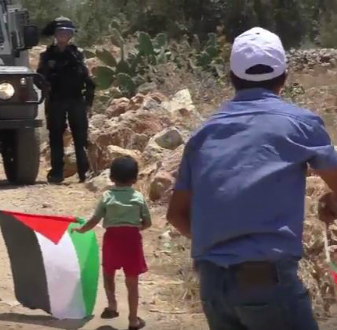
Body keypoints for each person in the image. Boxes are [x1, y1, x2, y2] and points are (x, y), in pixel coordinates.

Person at [166, 27, 337, 330]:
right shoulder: (301, 123)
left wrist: (225, 243)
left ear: (231, 77)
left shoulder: (204, 134)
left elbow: (176, 214)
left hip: (212, 286)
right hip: (267, 283)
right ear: (284, 76)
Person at [74, 156, 150, 330]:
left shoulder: (107, 196)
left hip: (112, 239)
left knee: (109, 273)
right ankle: (133, 319)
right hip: (132, 240)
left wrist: (82, 229)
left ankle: (112, 306)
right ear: (135, 179)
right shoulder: (138, 197)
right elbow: (148, 222)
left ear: (111, 178)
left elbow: (95, 219)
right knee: (132, 282)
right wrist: (136, 228)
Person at [36, 17, 95, 184]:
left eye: (67, 33)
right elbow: (39, 78)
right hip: (56, 101)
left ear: (71, 35)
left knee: (80, 136)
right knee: (55, 137)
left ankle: (84, 172)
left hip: (76, 99)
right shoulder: (47, 55)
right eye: (61, 32)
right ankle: (57, 172)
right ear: (55, 34)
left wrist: (88, 103)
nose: (64, 36)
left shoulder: (78, 54)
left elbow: (88, 79)